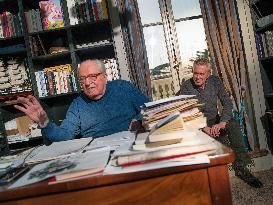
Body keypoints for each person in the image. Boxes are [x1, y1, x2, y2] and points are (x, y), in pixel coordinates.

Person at [15, 59, 149, 142]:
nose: (87, 82)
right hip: (96, 154)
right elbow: (65, 136)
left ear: (104, 76)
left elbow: (149, 109)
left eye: (92, 76)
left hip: (131, 143)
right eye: (82, 79)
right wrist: (44, 123)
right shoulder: (78, 104)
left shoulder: (123, 87)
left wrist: (139, 120)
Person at [180, 58, 263, 188]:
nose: (197, 77)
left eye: (201, 74)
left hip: (215, 120)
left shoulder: (214, 81)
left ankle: (242, 168)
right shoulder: (186, 86)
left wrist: (222, 122)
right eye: (195, 73)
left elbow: (227, 103)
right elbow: (186, 113)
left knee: (233, 124)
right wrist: (204, 128)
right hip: (197, 124)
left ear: (208, 73)